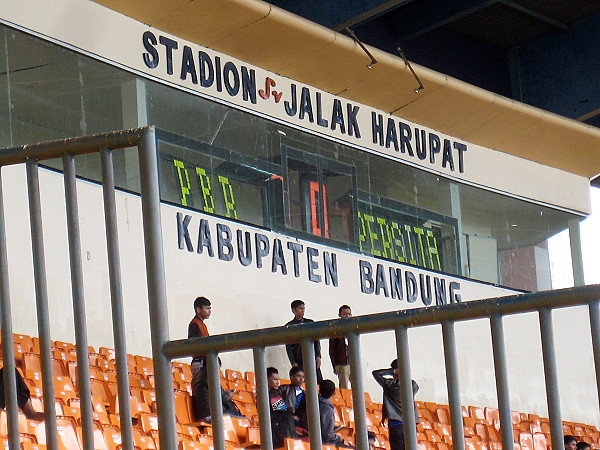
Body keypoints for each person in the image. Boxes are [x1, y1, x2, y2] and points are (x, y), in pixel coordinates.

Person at [373, 360, 419, 450]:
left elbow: (375, 374)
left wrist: (391, 371)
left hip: (396, 425)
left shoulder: (390, 385)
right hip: (410, 426)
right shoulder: (412, 386)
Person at [301, 379, 352, 448]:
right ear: (334, 393)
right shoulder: (327, 409)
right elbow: (327, 435)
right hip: (321, 442)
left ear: (319, 391)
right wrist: (341, 440)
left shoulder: (312, 404)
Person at [285, 299, 323, 383]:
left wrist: (318, 356)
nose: (302, 311)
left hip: (311, 355)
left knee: (318, 380)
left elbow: (316, 341)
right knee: (303, 381)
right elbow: (288, 347)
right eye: (300, 308)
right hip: (298, 357)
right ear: (293, 310)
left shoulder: (310, 323)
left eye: (303, 308)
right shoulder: (289, 326)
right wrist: (293, 362)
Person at [189, 296, 212, 421]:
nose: (209, 311)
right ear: (198, 309)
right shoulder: (195, 324)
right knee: (201, 388)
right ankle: (203, 416)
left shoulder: (202, 324)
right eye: (207, 308)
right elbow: (193, 345)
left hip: (204, 361)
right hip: (199, 362)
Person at [267, 367, 297, 448]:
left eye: (278, 380)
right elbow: (282, 411)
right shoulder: (271, 395)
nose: (278, 383)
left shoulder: (274, 394)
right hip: (280, 432)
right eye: (275, 380)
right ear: (266, 380)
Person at [329, 305, 352, 389]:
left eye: (349, 314)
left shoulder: (352, 328)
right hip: (342, 363)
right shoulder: (335, 329)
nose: (347, 316)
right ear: (340, 315)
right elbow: (332, 350)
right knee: (344, 385)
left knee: (357, 385)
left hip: (352, 362)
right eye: (345, 314)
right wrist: (334, 365)